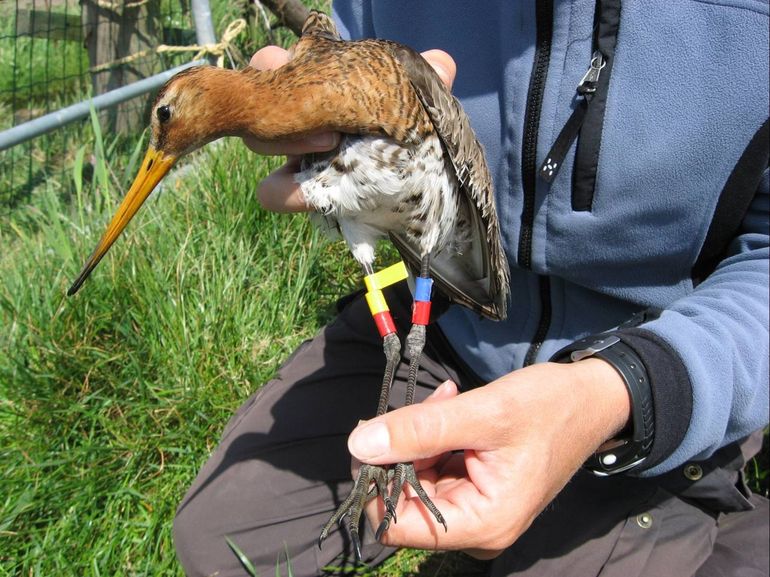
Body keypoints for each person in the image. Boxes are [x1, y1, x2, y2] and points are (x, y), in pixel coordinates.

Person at [173, 2, 769, 576]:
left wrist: (629, 390)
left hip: (649, 363)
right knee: (223, 542)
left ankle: (716, 515)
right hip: (447, 318)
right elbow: (335, 55)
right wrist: (293, 114)